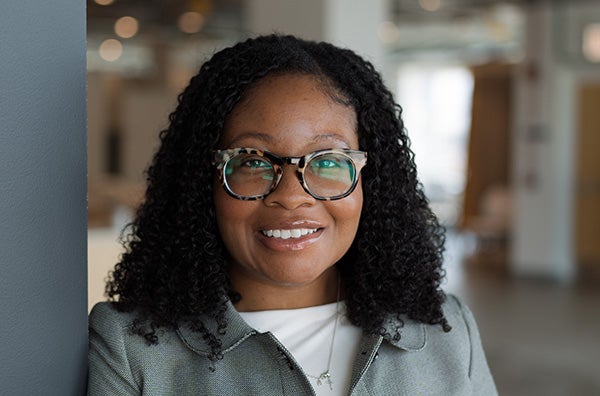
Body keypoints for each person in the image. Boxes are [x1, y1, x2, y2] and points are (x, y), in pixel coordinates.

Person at [88, 34, 497, 395]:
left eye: (329, 161)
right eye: (251, 161)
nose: (291, 196)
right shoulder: (132, 349)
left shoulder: (446, 329)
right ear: (203, 183)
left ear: (372, 183)